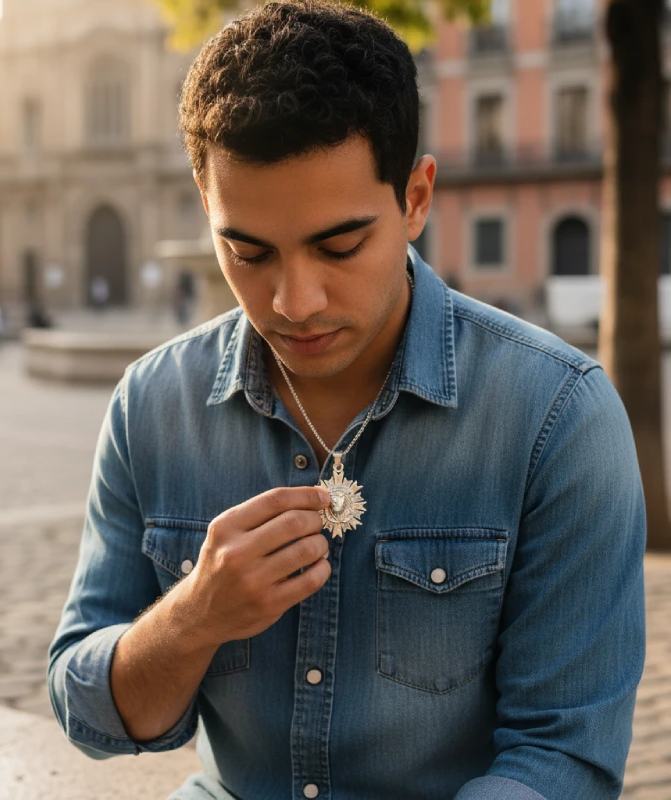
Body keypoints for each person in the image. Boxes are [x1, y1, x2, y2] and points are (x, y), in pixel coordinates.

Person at [47, 4, 646, 799]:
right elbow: (86, 710)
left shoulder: (558, 418)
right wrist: (194, 616)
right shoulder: (151, 404)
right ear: (204, 202)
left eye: (339, 246)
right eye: (247, 250)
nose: (294, 301)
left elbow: (562, 759)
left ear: (417, 198)